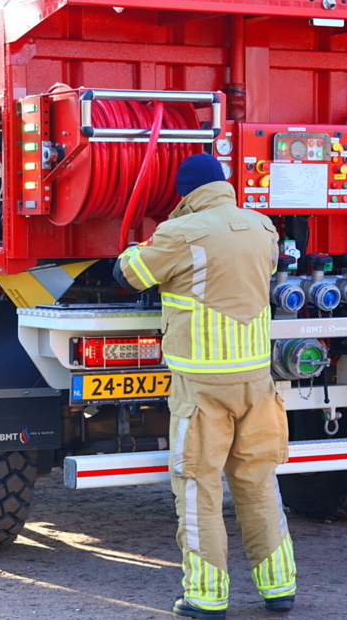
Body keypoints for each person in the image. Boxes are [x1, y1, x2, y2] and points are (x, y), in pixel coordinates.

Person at [114, 154, 295, 619]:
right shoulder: (263, 228)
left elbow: (130, 274)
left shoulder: (179, 233)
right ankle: (279, 587)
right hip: (257, 382)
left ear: (185, 194)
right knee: (258, 484)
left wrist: (136, 247)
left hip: (202, 388)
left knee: (199, 489)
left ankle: (206, 597)